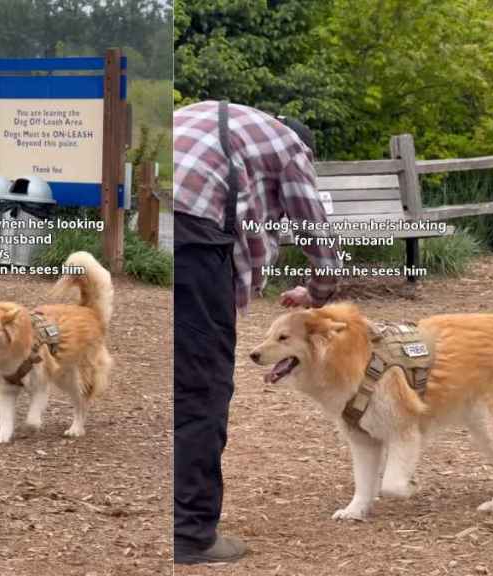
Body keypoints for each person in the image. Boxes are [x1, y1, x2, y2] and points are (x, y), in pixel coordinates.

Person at [173, 100, 342, 564]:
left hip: (161, 211)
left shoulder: (217, 117)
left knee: (179, 368)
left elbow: (243, 233)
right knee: (202, 387)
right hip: (195, 232)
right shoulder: (291, 148)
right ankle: (189, 533)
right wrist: (320, 289)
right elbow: (313, 227)